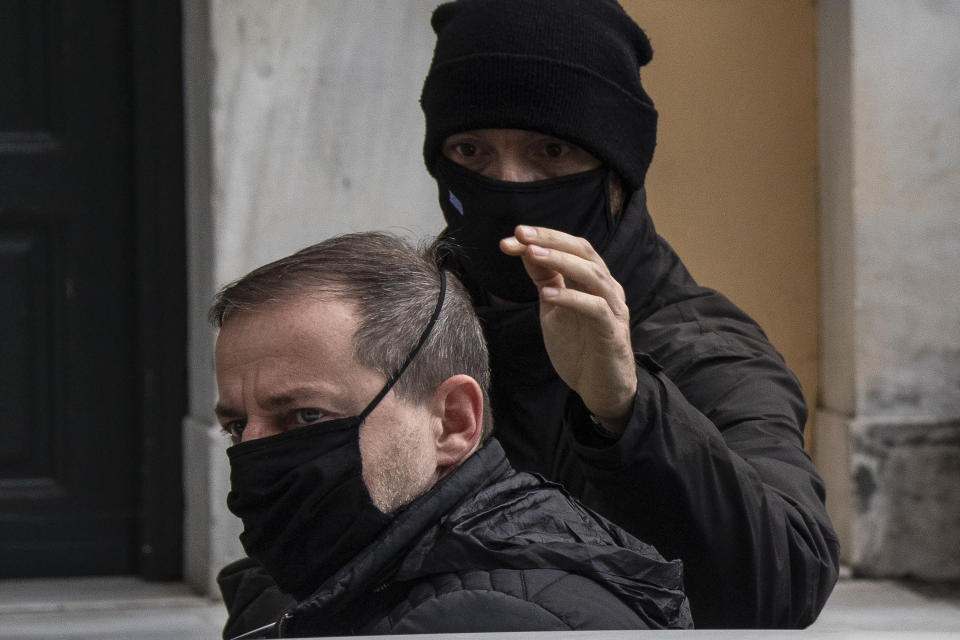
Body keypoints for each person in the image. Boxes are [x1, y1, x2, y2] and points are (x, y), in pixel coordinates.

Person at [416, 0, 840, 629]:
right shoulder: (401, 332)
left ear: (617, 173)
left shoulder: (702, 348)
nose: (508, 183)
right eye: (471, 149)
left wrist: (626, 411)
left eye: (551, 150)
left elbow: (786, 582)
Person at [211, 232, 692, 638]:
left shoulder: (484, 621)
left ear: (454, 422)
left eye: (306, 416)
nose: (254, 453)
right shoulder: (341, 578)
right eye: (236, 427)